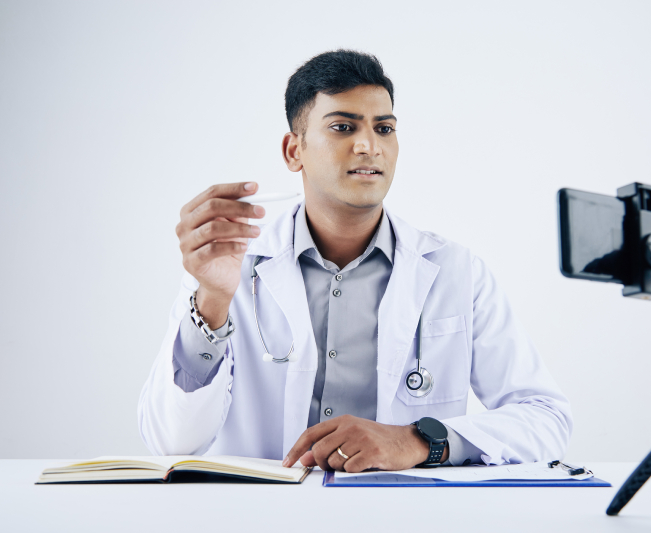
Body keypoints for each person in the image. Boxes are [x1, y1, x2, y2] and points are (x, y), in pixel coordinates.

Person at [138, 50, 572, 472]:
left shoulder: (456, 271)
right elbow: (170, 442)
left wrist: (417, 440)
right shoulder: (229, 265)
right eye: (343, 127)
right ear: (294, 151)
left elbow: (545, 418)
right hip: (262, 517)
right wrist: (213, 299)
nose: (368, 146)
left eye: (384, 129)